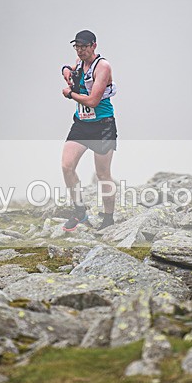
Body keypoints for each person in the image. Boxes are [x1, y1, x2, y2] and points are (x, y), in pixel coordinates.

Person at [60, 30, 118, 232]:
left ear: (94, 45)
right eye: (77, 46)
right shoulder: (80, 60)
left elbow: (93, 100)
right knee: (67, 166)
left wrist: (70, 95)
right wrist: (66, 71)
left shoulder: (102, 66)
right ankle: (79, 211)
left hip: (103, 124)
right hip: (82, 124)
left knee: (103, 174)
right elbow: (70, 68)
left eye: (84, 46)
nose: (80, 50)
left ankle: (108, 219)